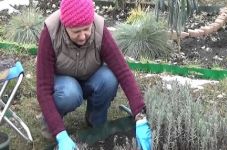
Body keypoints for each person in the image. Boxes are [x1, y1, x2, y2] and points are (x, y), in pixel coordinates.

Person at [36, 0, 152, 149]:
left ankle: (96, 123)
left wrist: (140, 117)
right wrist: (61, 134)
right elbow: (43, 88)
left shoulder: (99, 29)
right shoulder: (51, 32)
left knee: (109, 78)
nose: (83, 36)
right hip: (64, 85)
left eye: (86, 29)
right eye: (76, 32)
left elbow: (123, 71)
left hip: (90, 78)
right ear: (65, 27)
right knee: (70, 92)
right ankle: (51, 122)